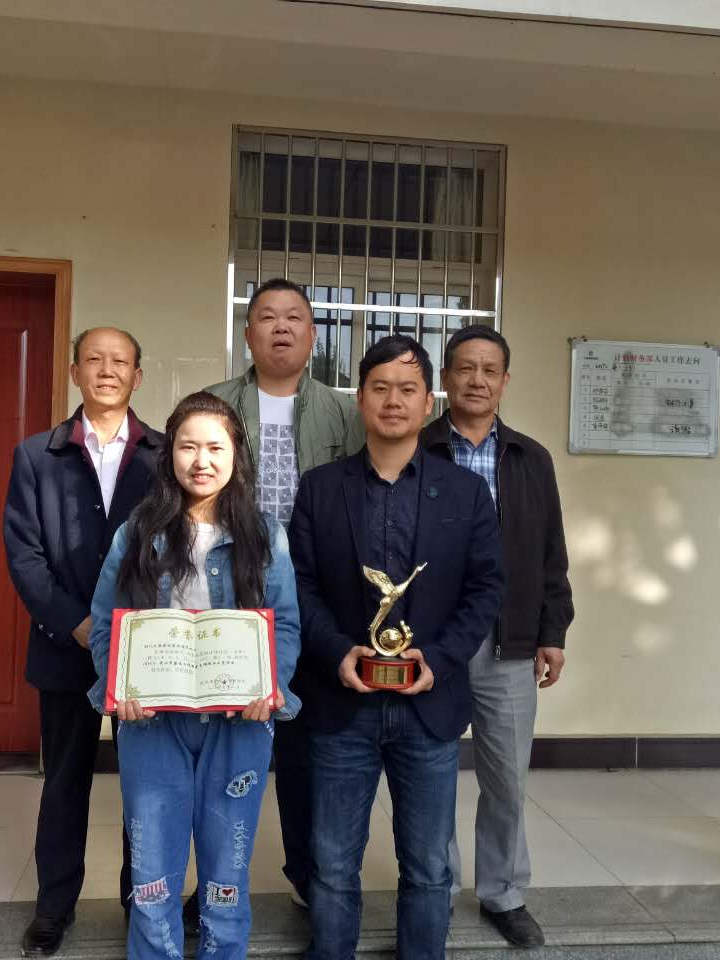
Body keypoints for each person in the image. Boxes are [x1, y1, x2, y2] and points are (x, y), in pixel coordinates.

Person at [288, 335, 503, 960]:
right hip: (341, 704)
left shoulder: (465, 492)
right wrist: (338, 652)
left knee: (430, 865)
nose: (393, 400)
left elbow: (486, 588)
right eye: (380, 387)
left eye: (408, 389)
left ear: (428, 401)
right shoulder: (320, 488)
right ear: (360, 399)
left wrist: (437, 659)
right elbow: (299, 585)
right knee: (331, 863)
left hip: (428, 707)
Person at [86, 391, 302, 960]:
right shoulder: (137, 532)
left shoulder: (265, 534)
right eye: (187, 447)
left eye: (215, 447)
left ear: (236, 455)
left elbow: (284, 624)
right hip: (152, 723)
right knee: (151, 873)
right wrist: (119, 687)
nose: (201, 461)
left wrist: (270, 686)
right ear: (170, 455)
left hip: (239, 724)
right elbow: (107, 621)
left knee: (227, 871)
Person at [204, 277, 363, 909]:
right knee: (221, 748)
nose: (280, 327)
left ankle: (307, 878)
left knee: (305, 753)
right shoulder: (214, 403)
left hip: (314, 598)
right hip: (228, 591)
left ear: (313, 335)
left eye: (294, 317)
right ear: (247, 334)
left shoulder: (344, 412)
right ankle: (215, 885)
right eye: (267, 316)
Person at [4, 327, 162, 957]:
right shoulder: (37, 455)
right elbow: (24, 556)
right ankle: (54, 906)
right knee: (65, 780)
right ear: (74, 372)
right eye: (94, 359)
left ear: (137, 376)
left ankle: (141, 899)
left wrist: (141, 625)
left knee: (145, 784)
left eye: (120, 361)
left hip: (145, 649)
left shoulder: (163, 454)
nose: (107, 370)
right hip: (65, 644)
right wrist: (76, 622)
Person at [424, 325, 574, 948]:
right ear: (445, 378)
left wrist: (552, 630)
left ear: (505, 381)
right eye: (465, 368)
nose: (477, 380)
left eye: (490, 370)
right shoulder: (419, 448)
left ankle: (503, 892)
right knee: (428, 773)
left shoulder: (530, 458)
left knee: (507, 777)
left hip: (506, 640)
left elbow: (550, 553)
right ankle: (431, 889)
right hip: (430, 640)